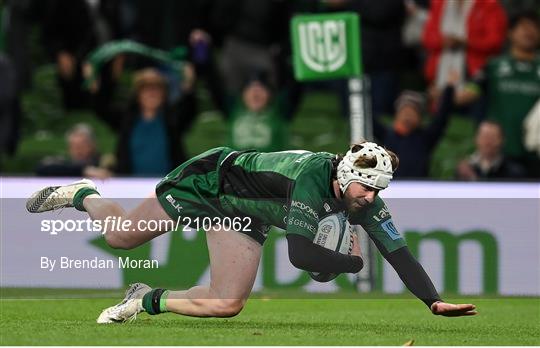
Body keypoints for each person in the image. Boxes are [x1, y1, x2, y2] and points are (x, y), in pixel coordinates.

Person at [26, 142, 477, 322]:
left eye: (380, 188)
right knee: (121, 237)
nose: (372, 196)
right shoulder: (312, 182)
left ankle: (143, 299)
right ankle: (84, 193)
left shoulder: (363, 198)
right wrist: (354, 263)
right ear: (343, 172)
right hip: (210, 183)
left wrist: (433, 300)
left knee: (227, 304)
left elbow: (399, 252)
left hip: (245, 212)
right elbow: (301, 257)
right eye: (367, 185)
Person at [456, 10, 540, 177]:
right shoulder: (494, 66)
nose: (529, 32)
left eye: (534, 27)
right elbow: (468, 93)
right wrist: (449, 92)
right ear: (510, 33)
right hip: (502, 153)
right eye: (523, 27)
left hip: (536, 151)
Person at [93, 67, 196, 176]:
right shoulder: (125, 119)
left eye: (157, 89)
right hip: (130, 185)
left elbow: (189, 107)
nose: (152, 94)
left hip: (167, 186)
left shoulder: (172, 119)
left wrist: (188, 82)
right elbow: (101, 108)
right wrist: (95, 84)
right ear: (138, 95)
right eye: (146, 89)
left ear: (164, 94)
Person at [35, 123, 112, 179]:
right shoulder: (67, 164)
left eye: (81, 146)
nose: (78, 151)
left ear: (92, 146)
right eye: (73, 146)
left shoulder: (103, 162)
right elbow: (42, 168)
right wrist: (84, 170)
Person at [456, 121, 526, 180]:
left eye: (492, 138)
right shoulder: (465, 168)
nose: (487, 142)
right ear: (476, 139)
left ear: (502, 140)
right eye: (484, 137)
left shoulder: (514, 171)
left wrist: (474, 178)